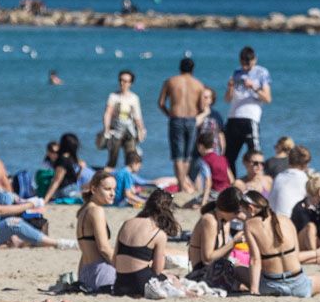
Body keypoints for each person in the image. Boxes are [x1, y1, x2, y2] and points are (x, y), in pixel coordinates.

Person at [242, 190, 320, 298]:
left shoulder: (249, 225)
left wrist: (254, 289)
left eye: (244, 212)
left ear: (250, 208)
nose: (244, 216)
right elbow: (296, 256)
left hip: (271, 286)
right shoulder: (286, 220)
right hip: (299, 286)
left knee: (237, 270)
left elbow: (255, 260)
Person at [112, 188, 181, 298]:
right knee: (173, 278)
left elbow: (114, 261)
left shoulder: (126, 223)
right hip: (140, 284)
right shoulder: (158, 233)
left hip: (120, 284)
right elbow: (157, 270)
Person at [156, 56, 211, 196]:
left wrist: (169, 114)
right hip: (191, 120)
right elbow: (201, 106)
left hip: (176, 118)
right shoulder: (198, 84)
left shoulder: (171, 81)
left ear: (180, 67)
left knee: (177, 155)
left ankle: (181, 186)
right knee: (187, 155)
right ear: (193, 69)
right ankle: (183, 184)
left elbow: (161, 103)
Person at [187, 186, 247, 292]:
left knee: (249, 273)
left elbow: (223, 257)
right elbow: (207, 258)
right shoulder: (209, 220)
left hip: (218, 269)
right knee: (244, 283)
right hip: (202, 274)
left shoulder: (225, 221)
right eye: (236, 212)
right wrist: (233, 242)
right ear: (226, 209)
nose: (238, 216)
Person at [223, 46, 270, 166]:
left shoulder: (261, 72)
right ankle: (231, 183)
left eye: (248, 63)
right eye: (243, 63)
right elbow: (227, 99)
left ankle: (257, 181)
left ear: (255, 60)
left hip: (250, 117)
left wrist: (253, 86)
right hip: (233, 117)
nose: (245, 67)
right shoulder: (236, 72)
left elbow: (268, 98)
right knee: (228, 156)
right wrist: (230, 88)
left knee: (254, 154)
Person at [75, 170, 117, 293]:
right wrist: (124, 267)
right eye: (107, 189)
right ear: (94, 189)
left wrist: (80, 278)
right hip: (101, 273)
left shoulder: (84, 210)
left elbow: (85, 251)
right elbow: (104, 248)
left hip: (86, 272)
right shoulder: (96, 211)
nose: (112, 193)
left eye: (114, 189)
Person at [100, 70, 146, 169]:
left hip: (129, 132)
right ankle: (108, 177)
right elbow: (108, 113)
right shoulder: (113, 96)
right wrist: (106, 129)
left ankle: (128, 180)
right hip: (116, 131)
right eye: (121, 80)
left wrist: (142, 130)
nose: (122, 83)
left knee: (131, 158)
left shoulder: (134, 98)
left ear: (130, 83)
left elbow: (137, 117)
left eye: (125, 81)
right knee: (112, 158)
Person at [37, 132, 85, 204]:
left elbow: (60, 180)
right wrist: (45, 200)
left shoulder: (65, 159)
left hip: (68, 190)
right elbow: (58, 180)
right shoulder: (67, 159)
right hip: (67, 191)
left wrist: (81, 169)